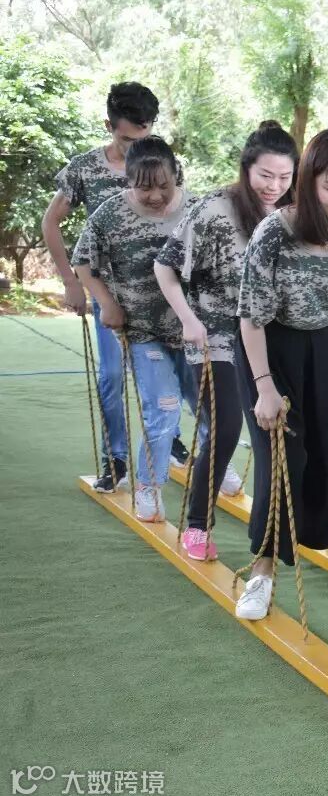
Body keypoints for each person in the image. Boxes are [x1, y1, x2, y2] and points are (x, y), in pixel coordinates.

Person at [233, 129, 328, 621]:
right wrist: (264, 388)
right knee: (282, 461)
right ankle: (261, 572)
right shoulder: (275, 232)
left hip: (324, 342)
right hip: (269, 348)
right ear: (308, 183)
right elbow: (251, 318)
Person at [154, 121, 299, 560]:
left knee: (283, 428)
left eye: (284, 177)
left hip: (269, 336)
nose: (274, 186)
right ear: (246, 168)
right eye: (265, 175)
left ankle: (287, 520)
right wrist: (188, 319)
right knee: (226, 426)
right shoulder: (215, 209)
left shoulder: (293, 211)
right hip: (215, 334)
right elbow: (165, 266)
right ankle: (197, 524)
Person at [43, 82, 191, 490]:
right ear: (109, 126)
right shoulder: (85, 168)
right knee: (111, 376)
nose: (136, 148)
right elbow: (50, 222)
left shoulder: (165, 164)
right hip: (110, 295)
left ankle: (170, 440)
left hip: (162, 296)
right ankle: (117, 457)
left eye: (144, 136)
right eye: (127, 140)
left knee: (171, 373)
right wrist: (71, 282)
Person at [70, 137, 200, 522]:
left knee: (210, 407)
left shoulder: (197, 210)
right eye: (144, 187)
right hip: (144, 331)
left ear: (176, 176)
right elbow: (83, 263)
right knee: (163, 406)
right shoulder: (110, 214)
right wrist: (106, 302)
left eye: (164, 185)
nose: (156, 195)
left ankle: (215, 465)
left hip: (195, 330)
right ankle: (148, 486)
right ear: (128, 181)